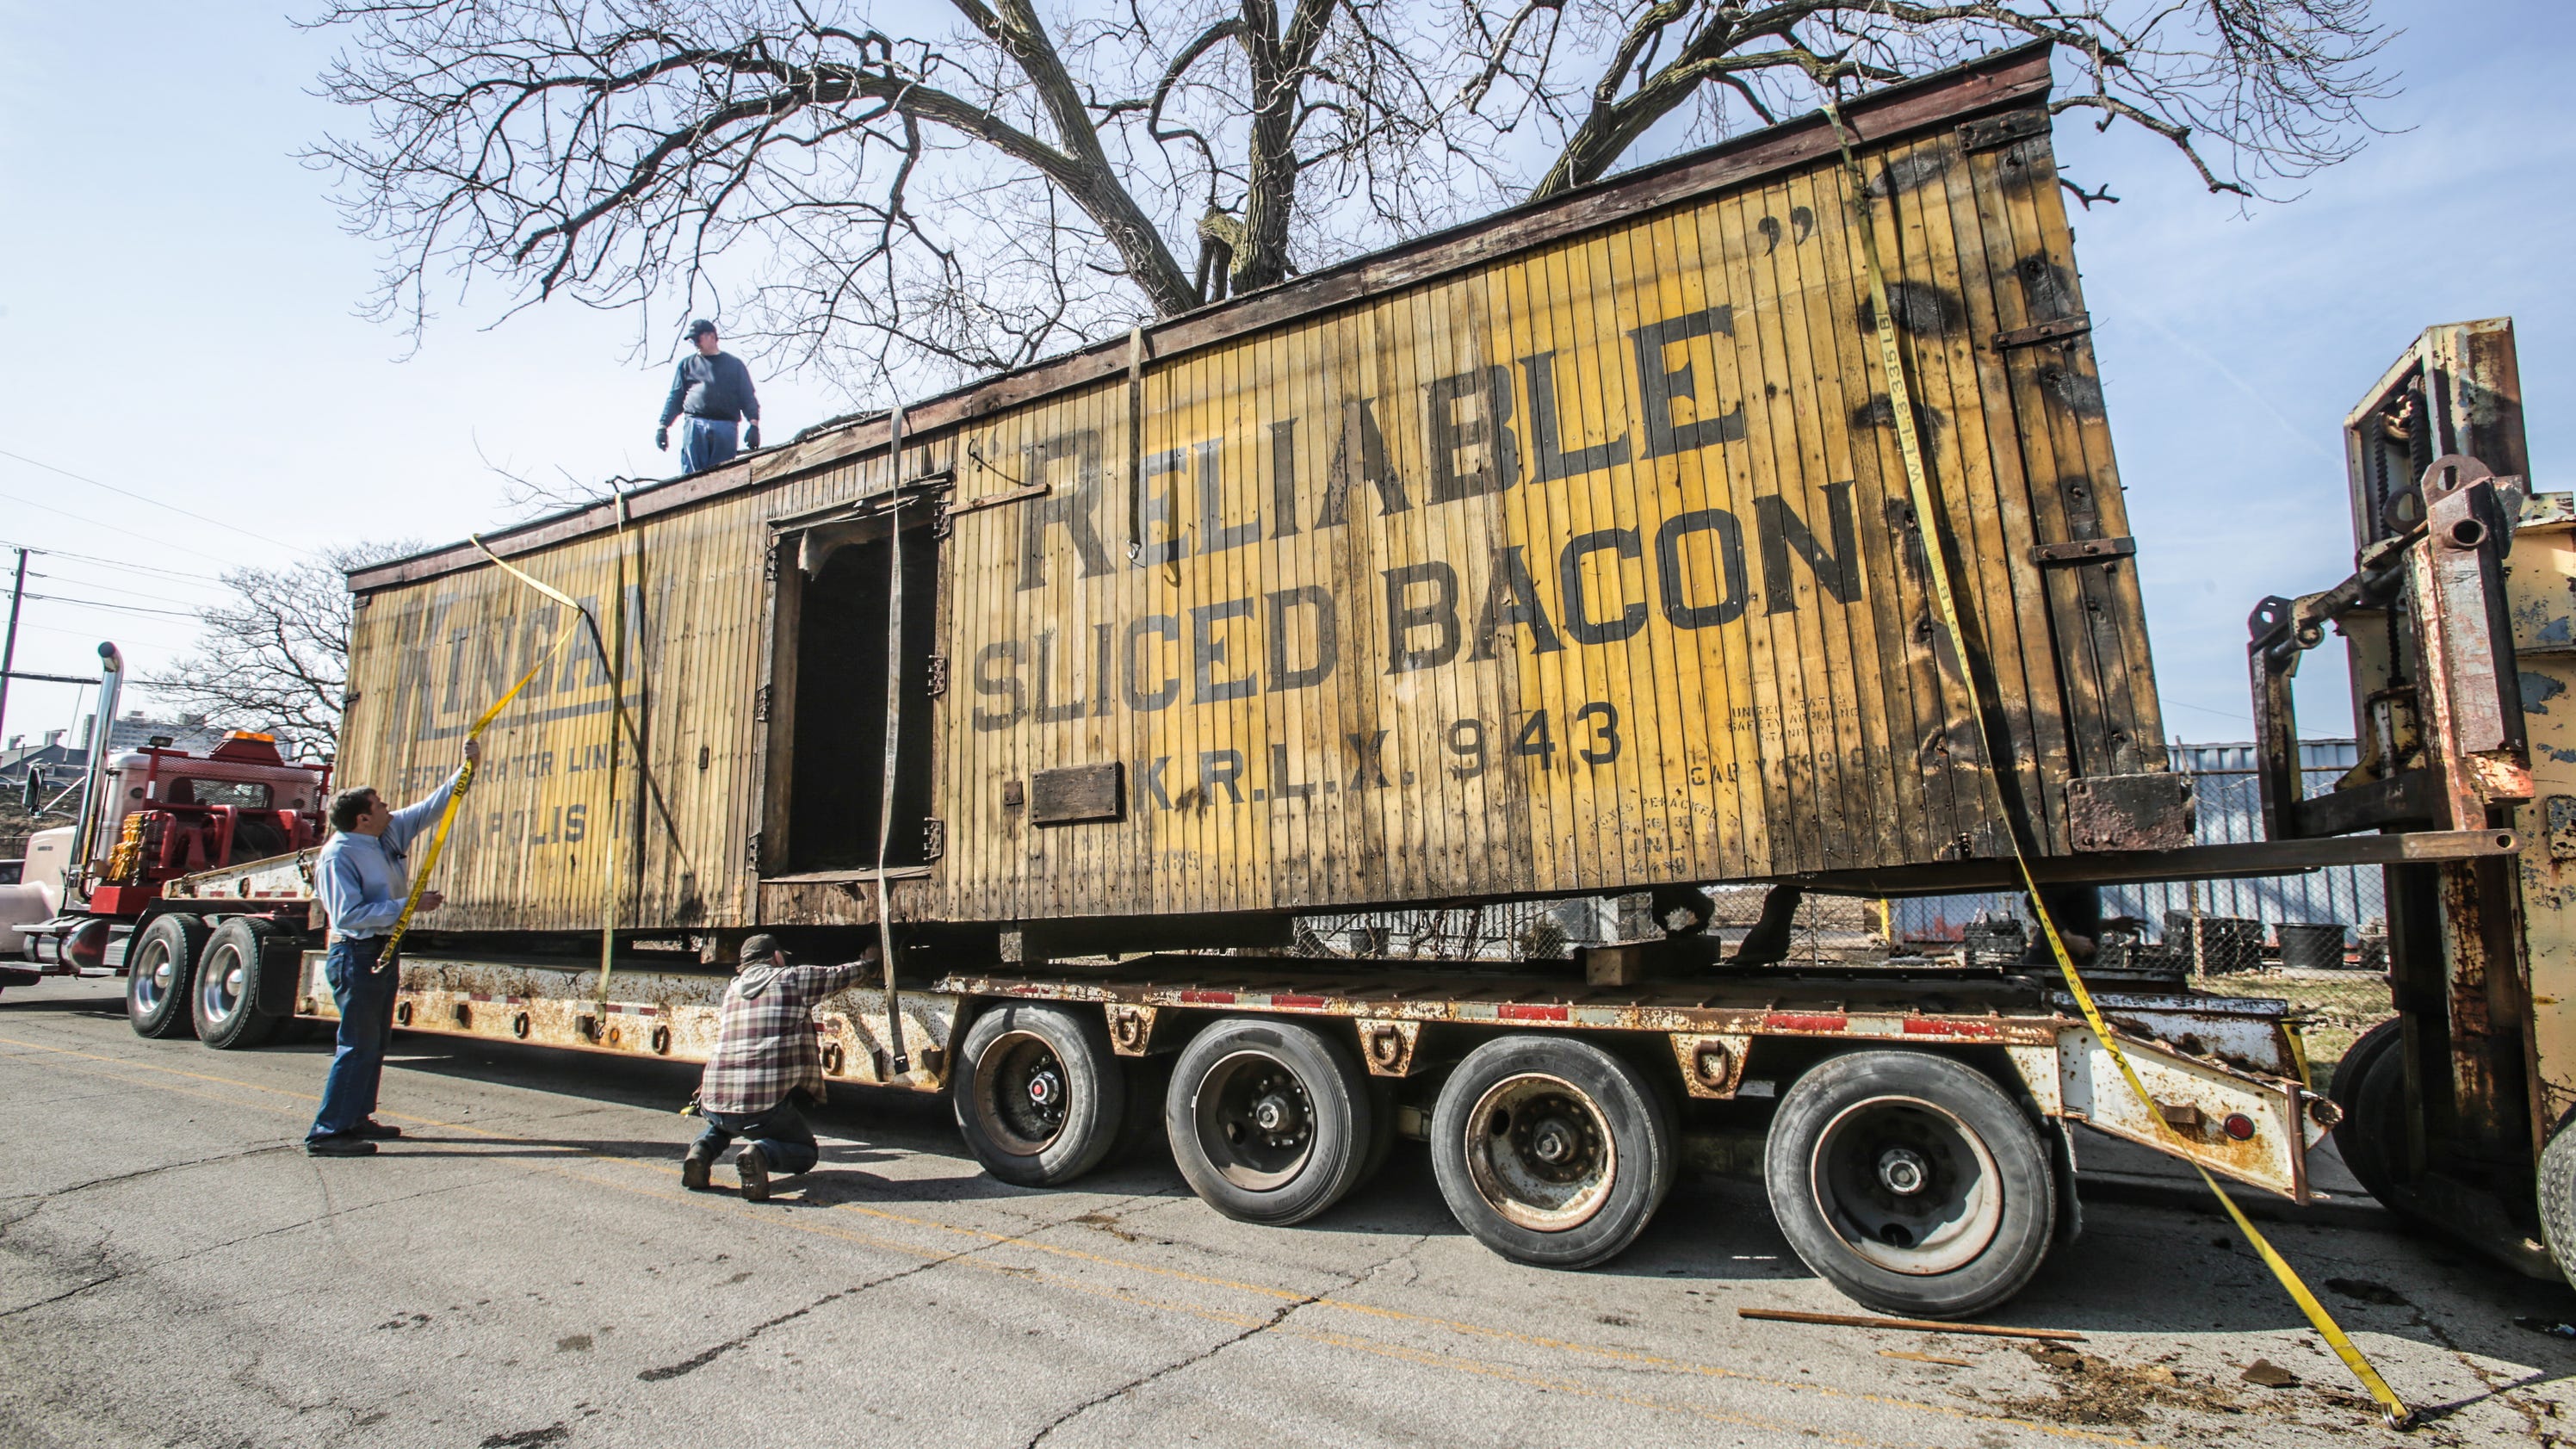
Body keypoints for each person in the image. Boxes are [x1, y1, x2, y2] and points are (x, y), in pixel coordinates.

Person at [305, 738, 480, 1156]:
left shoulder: (386, 833)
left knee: (375, 1040)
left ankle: (357, 1117)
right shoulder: (339, 855)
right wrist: (409, 905)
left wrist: (467, 769)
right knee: (357, 1043)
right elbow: (348, 916)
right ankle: (328, 1133)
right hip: (356, 953)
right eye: (379, 804)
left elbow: (433, 806)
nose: (388, 807)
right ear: (363, 818)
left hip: (384, 950)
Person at [684, 933, 877, 1201]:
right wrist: (868, 962)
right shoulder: (792, 979)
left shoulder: (732, 990)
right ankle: (761, 1154)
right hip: (759, 1107)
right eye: (782, 955)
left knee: (722, 1125)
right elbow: (838, 975)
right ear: (775, 957)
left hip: (712, 1100)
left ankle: (700, 1153)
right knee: (805, 1151)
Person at [655, 319, 762, 474]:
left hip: (725, 426)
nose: (695, 343)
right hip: (696, 424)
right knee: (693, 476)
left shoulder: (734, 365)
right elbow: (675, 398)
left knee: (723, 475)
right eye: (692, 340)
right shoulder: (687, 365)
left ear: (711, 336)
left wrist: (754, 425)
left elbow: (747, 397)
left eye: (698, 338)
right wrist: (663, 426)